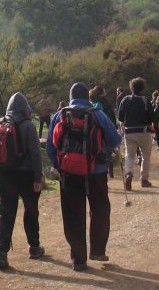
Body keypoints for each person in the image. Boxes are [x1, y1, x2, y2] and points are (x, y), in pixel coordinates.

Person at [47, 83, 121, 272]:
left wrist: (60, 166)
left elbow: (50, 146)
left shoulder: (60, 115)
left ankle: (78, 259)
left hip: (69, 172)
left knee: (73, 213)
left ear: (70, 96)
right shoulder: (97, 114)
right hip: (96, 172)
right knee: (100, 209)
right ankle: (97, 250)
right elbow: (115, 140)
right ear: (87, 97)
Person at [0, 92, 45, 270]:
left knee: (6, 214)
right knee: (31, 210)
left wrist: (3, 163)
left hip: (4, 175)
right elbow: (35, 154)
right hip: (26, 175)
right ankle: (34, 248)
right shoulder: (28, 125)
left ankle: (1, 253)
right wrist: (37, 177)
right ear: (25, 108)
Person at [117, 77, 155, 190]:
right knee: (145, 156)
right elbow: (151, 117)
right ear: (142, 88)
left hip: (129, 131)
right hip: (144, 131)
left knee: (129, 155)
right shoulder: (145, 100)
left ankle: (129, 173)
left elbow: (120, 116)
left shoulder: (125, 100)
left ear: (131, 87)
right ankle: (144, 179)